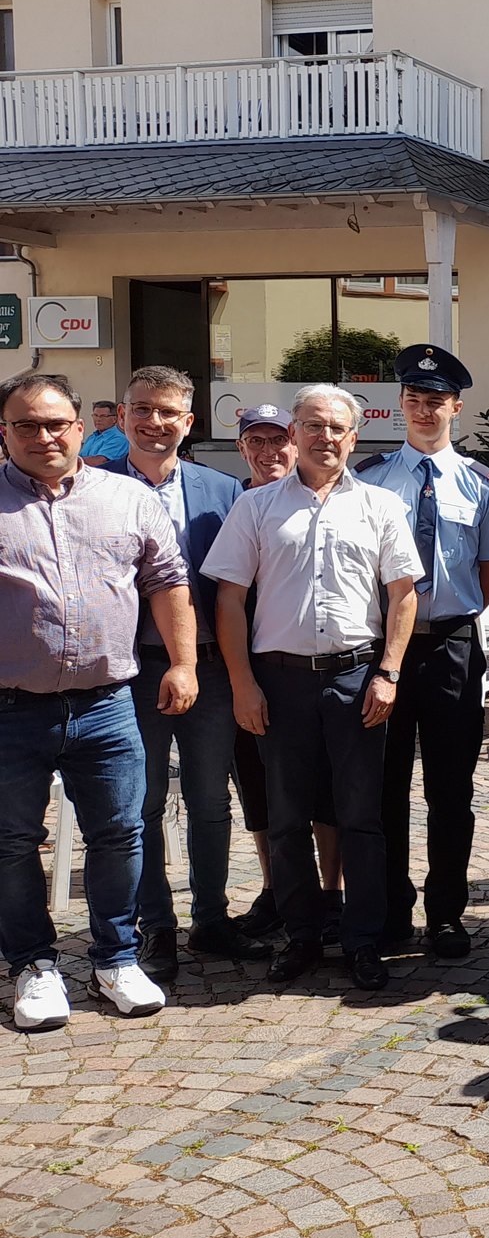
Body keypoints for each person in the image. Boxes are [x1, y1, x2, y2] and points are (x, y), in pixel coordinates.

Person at [204, 385, 422, 991]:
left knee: (361, 816)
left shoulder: (380, 505)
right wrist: (243, 684)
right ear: (294, 433)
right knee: (287, 817)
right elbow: (229, 599)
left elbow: (403, 594)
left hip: (358, 678)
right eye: (313, 425)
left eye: (336, 427)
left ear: (354, 436)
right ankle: (300, 935)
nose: (324, 436)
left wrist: (389, 672)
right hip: (279, 681)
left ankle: (362, 938)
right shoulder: (255, 507)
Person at [3, 371, 196, 1030]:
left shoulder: (127, 498)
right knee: (12, 841)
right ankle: (34, 964)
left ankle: (116, 957)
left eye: (56, 423)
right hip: (10, 708)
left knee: (119, 833)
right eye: (26, 425)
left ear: (82, 428)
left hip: (107, 704)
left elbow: (168, 581)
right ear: (4, 432)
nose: (43, 436)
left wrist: (184, 663)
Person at [108, 367, 268, 980]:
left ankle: (211, 919)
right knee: (142, 803)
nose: (155, 422)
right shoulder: (94, 486)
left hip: (213, 667)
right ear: (123, 415)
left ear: (189, 422)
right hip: (133, 671)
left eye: (168, 412)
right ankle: (156, 927)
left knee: (209, 799)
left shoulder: (223, 492)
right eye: (143, 410)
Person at [354, 345, 489, 958]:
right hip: (384, 649)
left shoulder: (483, 483)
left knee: (451, 790)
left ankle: (446, 913)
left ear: (456, 408)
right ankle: (392, 909)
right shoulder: (369, 477)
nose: (425, 411)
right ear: (401, 404)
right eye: (415, 399)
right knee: (385, 786)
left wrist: (449, 612)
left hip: (451, 647)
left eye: (436, 401)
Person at [225, 405, 341, 942]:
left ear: (294, 443)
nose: (269, 451)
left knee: (325, 786)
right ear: (241, 448)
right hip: (246, 667)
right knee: (258, 786)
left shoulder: (325, 502)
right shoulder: (234, 503)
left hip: (310, 667)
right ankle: (276, 890)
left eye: (278, 440)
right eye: (257, 441)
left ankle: (330, 892)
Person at [79, 399, 128, 467]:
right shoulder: (92, 437)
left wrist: (70, 462)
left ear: (114, 419)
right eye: (95, 415)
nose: (98, 419)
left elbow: (99, 462)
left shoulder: (119, 439)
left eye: (103, 416)